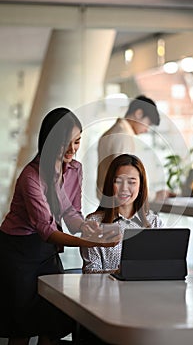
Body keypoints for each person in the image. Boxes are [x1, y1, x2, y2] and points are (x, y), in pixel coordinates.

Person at [0, 107, 120, 345]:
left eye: (77, 142)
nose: (72, 149)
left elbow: (71, 212)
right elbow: (46, 229)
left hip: (47, 250)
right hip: (18, 252)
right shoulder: (30, 177)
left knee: (52, 321)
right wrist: (88, 242)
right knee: (21, 328)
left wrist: (87, 227)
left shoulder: (75, 169)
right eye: (66, 142)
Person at [81, 153, 163, 274]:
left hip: (145, 291)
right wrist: (118, 273)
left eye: (132, 182)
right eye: (118, 181)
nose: (124, 188)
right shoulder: (94, 223)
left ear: (141, 186)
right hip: (106, 291)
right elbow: (90, 271)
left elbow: (160, 266)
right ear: (110, 184)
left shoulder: (154, 222)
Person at [96, 94, 175, 201]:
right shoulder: (123, 136)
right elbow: (124, 178)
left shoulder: (110, 133)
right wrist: (154, 196)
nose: (146, 130)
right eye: (148, 124)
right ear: (138, 113)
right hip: (119, 204)